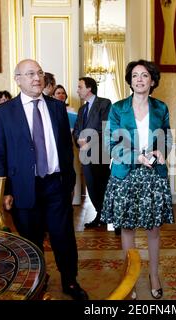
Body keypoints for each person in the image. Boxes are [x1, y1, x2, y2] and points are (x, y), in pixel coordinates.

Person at [0, 59, 88, 300]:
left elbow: (66, 147)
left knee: (63, 236)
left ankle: (70, 281)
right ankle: (37, 280)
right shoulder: (3, 112)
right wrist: (5, 191)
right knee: (30, 240)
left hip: (56, 184)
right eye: (30, 73)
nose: (37, 78)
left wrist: (70, 180)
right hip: (24, 187)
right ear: (18, 79)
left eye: (40, 73)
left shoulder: (56, 107)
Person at [101, 59, 174, 299]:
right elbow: (110, 144)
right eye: (134, 76)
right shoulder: (117, 108)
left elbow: (167, 137)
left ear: (152, 81)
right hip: (125, 175)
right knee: (128, 229)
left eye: (144, 75)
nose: (139, 79)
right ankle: (129, 278)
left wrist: (162, 150)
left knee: (153, 229)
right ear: (130, 81)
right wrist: (136, 157)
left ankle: (154, 274)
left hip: (153, 176)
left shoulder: (161, 108)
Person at [73, 77, 111, 228]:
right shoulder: (82, 109)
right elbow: (77, 129)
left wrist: (89, 142)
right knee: (92, 186)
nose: (78, 90)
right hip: (85, 154)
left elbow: (106, 126)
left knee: (104, 185)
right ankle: (100, 215)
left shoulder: (104, 103)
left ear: (89, 88)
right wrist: (78, 140)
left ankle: (112, 216)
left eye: (80, 87)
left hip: (100, 153)